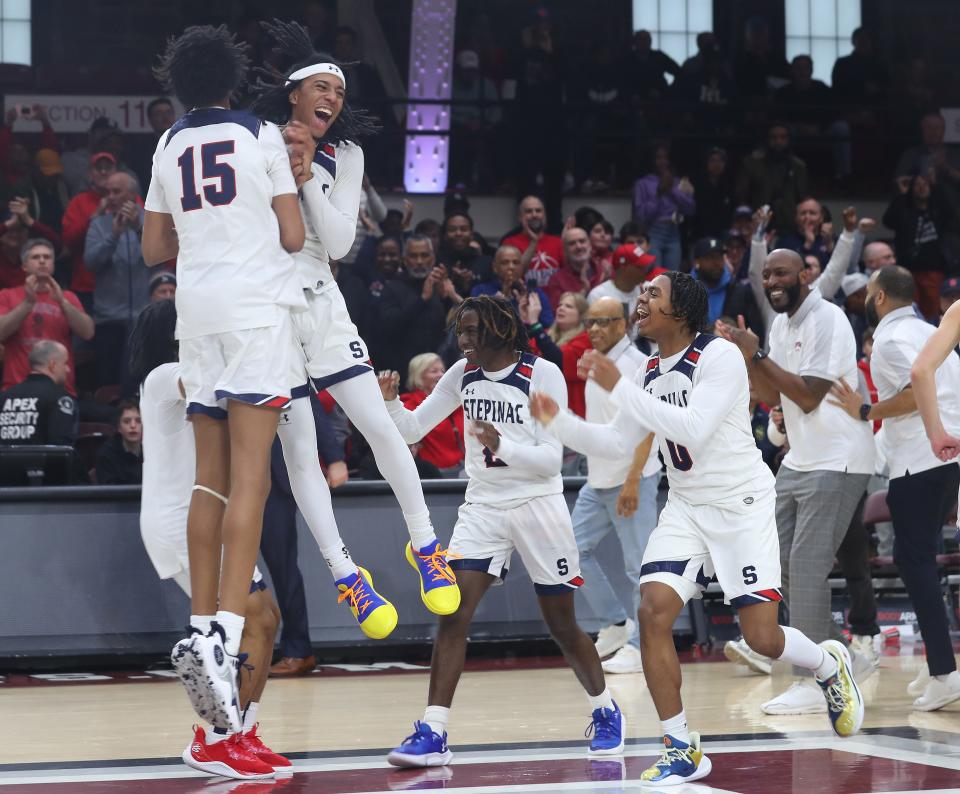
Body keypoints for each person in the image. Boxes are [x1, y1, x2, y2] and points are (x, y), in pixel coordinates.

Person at [532, 272, 863, 785]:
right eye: (639, 294)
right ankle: (681, 745)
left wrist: (618, 386)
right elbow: (618, 444)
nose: (641, 300)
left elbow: (693, 427)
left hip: (741, 504)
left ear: (681, 309)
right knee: (652, 611)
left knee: (762, 637)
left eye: (652, 295)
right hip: (686, 505)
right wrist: (558, 422)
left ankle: (825, 663)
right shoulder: (645, 371)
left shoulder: (720, 356)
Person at [250, 18, 460, 618]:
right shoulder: (256, 138)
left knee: (380, 426)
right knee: (298, 454)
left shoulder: (347, 155)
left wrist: (305, 177)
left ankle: (426, 546)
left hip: (321, 297)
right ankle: (347, 573)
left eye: (339, 93)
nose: (332, 98)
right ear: (295, 92)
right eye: (322, 87)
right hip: (269, 308)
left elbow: (341, 243)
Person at [142, 24, 307, 735]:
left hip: (195, 311)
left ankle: (202, 623)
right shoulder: (262, 135)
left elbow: (153, 246)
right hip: (255, 314)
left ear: (178, 86)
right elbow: (296, 238)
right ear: (232, 80)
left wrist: (201, 233)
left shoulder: (169, 143)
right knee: (253, 480)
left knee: (209, 477)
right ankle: (229, 633)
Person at [380, 295, 625, 767]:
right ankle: (434, 731)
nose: (463, 339)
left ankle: (606, 709)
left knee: (561, 624)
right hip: (484, 505)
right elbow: (412, 428)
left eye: (471, 330)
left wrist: (501, 444)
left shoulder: (540, 374)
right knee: (453, 612)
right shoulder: (461, 374)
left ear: (500, 329)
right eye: (460, 331)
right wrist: (391, 404)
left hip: (539, 504)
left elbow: (552, 459)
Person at [129, 300, 291, 780]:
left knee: (267, 620)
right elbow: (217, 383)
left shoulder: (178, 372)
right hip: (180, 524)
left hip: (206, 522)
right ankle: (216, 741)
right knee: (255, 621)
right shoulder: (164, 377)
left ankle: (241, 732)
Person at [718, 248, 875, 718]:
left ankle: (815, 679)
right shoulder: (780, 324)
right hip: (800, 459)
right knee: (775, 560)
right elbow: (772, 395)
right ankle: (844, 654)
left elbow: (807, 396)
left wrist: (757, 353)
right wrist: (750, 360)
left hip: (840, 456)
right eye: (765, 274)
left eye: (781, 272)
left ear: (805, 274)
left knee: (806, 564)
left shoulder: (828, 319)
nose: (772, 280)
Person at [830, 266, 960, 711]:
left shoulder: (887, 340)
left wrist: (867, 410)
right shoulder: (932, 330)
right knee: (921, 561)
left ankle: (944, 672)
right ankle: (937, 660)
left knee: (913, 560)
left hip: (922, 461)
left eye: (869, 293)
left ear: (880, 297)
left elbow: (911, 390)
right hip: (945, 461)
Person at [569, 297, 660, 675]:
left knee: (639, 569)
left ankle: (641, 647)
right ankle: (615, 624)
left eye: (604, 322)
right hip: (599, 479)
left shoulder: (637, 365)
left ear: (623, 324)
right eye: (590, 322)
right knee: (570, 553)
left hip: (631, 479)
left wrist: (634, 481)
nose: (594, 329)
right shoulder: (597, 362)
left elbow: (650, 426)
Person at [0, 237, 93, 396]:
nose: (42, 261)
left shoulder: (68, 297)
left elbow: (88, 332)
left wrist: (62, 302)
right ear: (24, 266)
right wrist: (27, 304)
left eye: (47, 257)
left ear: (53, 264)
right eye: (36, 257)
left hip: (60, 389)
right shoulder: (7, 295)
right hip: (17, 387)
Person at [84, 172, 152, 386]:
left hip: (141, 316)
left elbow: (157, 259)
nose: (110, 197)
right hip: (109, 318)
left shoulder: (149, 221)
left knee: (137, 382)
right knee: (107, 383)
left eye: (117, 191)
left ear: (132, 195)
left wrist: (139, 230)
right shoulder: (99, 224)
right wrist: (113, 236)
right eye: (107, 192)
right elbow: (90, 263)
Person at [883, 173, 957, 321]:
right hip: (907, 268)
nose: (922, 187)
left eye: (925, 184)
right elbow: (888, 221)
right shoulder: (905, 208)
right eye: (917, 184)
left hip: (933, 267)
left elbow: (952, 213)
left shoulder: (937, 209)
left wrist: (937, 185)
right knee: (908, 307)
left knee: (933, 307)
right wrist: (902, 195)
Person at [61, 151, 120, 310]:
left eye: (108, 168)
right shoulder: (79, 202)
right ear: (90, 174)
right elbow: (68, 239)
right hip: (86, 285)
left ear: (116, 172)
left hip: (120, 285)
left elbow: (145, 232)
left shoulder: (130, 198)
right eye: (98, 168)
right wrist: (94, 216)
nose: (103, 172)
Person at [523, 291, 590, 417]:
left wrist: (535, 324)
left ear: (581, 315)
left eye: (568, 306)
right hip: (541, 407)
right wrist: (525, 320)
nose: (561, 308)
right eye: (560, 305)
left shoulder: (586, 340)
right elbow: (524, 353)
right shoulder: (547, 335)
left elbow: (559, 362)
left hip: (571, 411)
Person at [735, 123, 808, 235]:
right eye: (774, 137)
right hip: (760, 225)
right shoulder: (752, 164)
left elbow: (803, 199)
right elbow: (742, 195)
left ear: (789, 139)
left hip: (790, 226)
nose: (778, 142)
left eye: (783, 137)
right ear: (767, 139)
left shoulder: (798, 166)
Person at [0, 340, 76, 445]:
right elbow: (61, 448)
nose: (68, 369)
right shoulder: (59, 398)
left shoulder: (4, 397)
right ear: (52, 365)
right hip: (41, 462)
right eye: (65, 363)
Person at [632, 144, 695, 271]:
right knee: (654, 276)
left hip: (674, 232)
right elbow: (641, 216)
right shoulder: (642, 183)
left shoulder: (678, 182)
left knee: (672, 277)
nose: (663, 162)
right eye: (658, 158)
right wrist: (659, 193)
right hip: (653, 232)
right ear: (652, 160)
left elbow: (691, 209)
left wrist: (671, 189)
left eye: (665, 158)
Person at [402, 353, 464, 477]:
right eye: (434, 371)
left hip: (462, 473)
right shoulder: (409, 406)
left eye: (442, 370)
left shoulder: (458, 405)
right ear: (418, 376)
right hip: (431, 478)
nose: (441, 375)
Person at [587, 243, 664, 343]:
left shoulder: (648, 288)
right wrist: (635, 317)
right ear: (623, 268)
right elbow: (603, 340)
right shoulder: (599, 296)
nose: (645, 270)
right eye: (639, 266)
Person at [691, 237, 764, 341]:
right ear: (697, 262)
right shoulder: (686, 293)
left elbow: (756, 330)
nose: (716, 263)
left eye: (719, 257)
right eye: (710, 258)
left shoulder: (740, 291)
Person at [471, 244, 554, 328]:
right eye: (505, 263)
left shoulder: (535, 293)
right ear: (495, 267)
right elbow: (479, 323)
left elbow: (549, 324)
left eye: (516, 263)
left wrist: (529, 305)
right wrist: (503, 298)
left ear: (522, 267)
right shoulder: (480, 290)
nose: (511, 267)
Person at [501, 196, 564, 288]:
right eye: (528, 211)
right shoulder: (510, 243)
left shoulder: (558, 242)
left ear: (544, 215)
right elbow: (514, 274)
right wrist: (533, 242)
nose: (534, 215)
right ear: (520, 217)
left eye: (538, 211)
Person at [544, 226, 603, 310]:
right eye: (572, 243)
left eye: (582, 241)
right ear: (565, 250)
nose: (578, 247)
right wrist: (584, 290)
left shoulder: (604, 271)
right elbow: (561, 315)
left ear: (590, 244)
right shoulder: (557, 280)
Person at [94, 400, 143, 484]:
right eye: (127, 421)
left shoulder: (153, 452)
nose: (133, 426)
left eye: (138, 421)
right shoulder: (106, 455)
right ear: (118, 427)